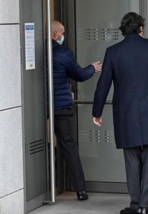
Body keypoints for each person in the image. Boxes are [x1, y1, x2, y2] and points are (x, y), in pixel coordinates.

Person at [92, 12, 148, 214]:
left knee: (131, 159)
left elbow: (103, 84)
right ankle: (145, 206)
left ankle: (134, 202)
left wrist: (97, 112)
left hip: (126, 113)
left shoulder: (113, 51)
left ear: (123, 30)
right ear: (141, 29)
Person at [51, 20, 102, 201]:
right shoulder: (64, 53)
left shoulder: (35, 52)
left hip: (37, 109)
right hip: (60, 107)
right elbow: (79, 75)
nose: (63, 36)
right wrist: (92, 68)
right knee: (69, 147)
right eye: (62, 33)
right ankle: (80, 190)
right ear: (56, 35)